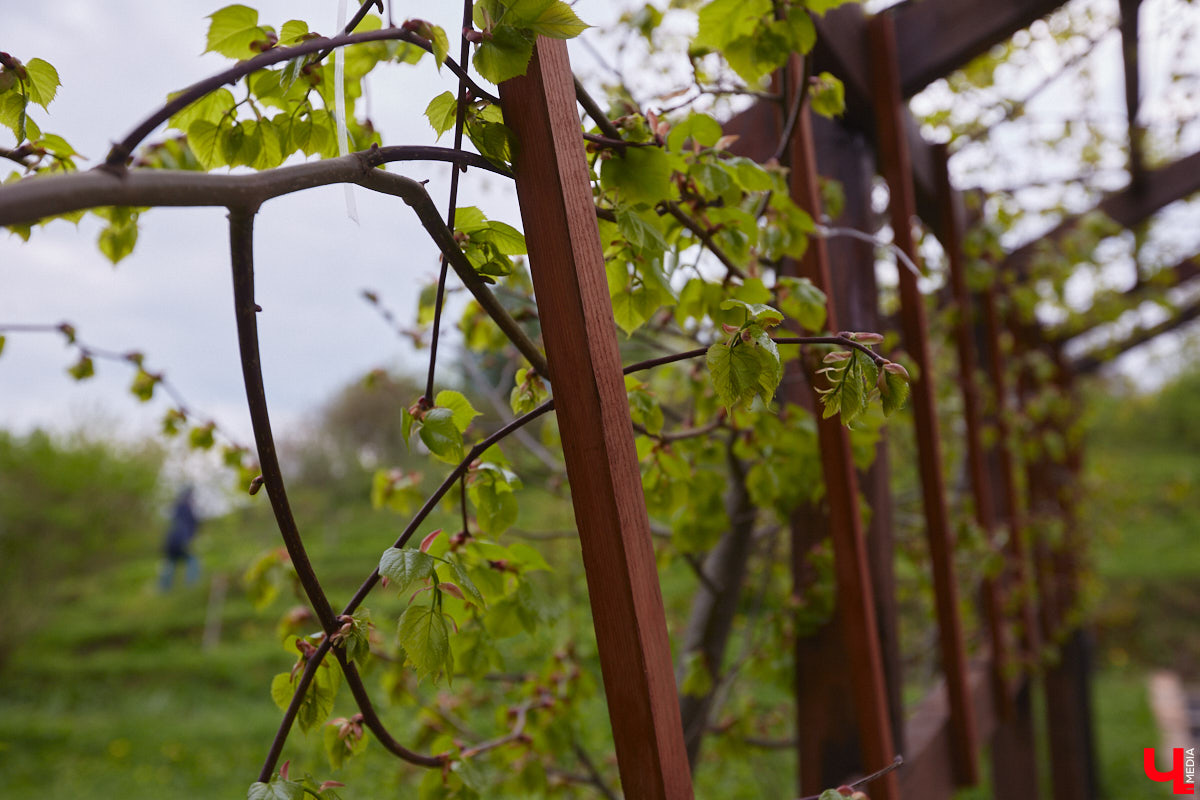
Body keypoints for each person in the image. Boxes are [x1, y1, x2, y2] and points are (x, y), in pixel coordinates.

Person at [159, 485, 201, 590]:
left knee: (170, 564)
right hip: (179, 541)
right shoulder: (185, 508)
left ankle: (163, 588)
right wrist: (186, 540)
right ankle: (191, 585)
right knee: (192, 561)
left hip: (172, 542)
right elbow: (188, 525)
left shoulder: (178, 508)